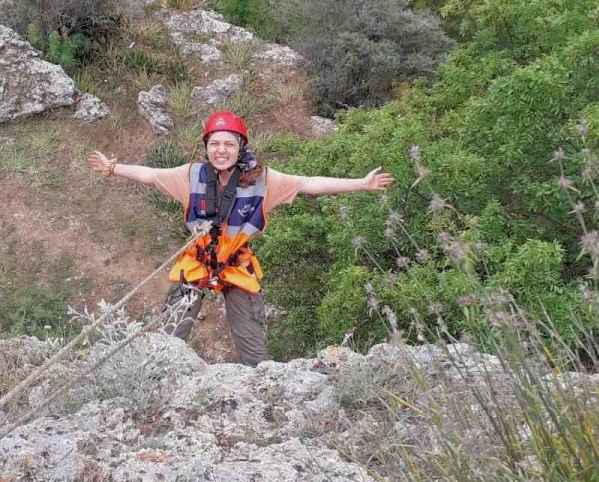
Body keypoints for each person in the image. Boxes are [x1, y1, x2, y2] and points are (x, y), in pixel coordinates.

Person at [88, 111, 395, 366]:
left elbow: (309, 183)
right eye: (215, 143)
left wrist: (361, 184)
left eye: (228, 144)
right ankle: (156, 381)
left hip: (236, 266)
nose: (221, 150)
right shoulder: (191, 175)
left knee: (254, 353)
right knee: (168, 340)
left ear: (240, 147)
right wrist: (113, 168)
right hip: (197, 262)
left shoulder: (264, 181)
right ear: (206, 147)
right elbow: (152, 175)